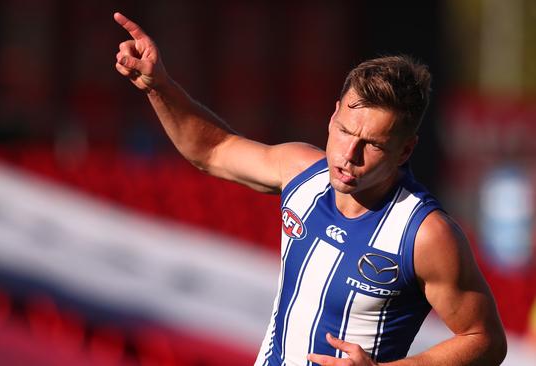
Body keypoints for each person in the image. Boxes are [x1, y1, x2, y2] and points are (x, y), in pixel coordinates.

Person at [113, 12, 507, 366]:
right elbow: (212, 150)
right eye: (345, 131)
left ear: (406, 150)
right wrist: (158, 86)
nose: (348, 154)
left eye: (372, 145)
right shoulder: (302, 171)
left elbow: (485, 340)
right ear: (333, 114)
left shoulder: (425, 234)